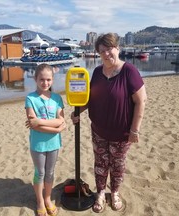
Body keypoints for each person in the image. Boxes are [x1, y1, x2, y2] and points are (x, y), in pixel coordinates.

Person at [71, 33, 147, 213]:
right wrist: (77, 112)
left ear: (117, 48)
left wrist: (135, 130)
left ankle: (114, 193)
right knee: (100, 163)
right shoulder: (97, 72)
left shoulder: (129, 71)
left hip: (122, 134)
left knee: (117, 165)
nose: (106, 54)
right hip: (98, 131)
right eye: (102, 51)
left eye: (109, 49)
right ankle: (100, 193)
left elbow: (141, 101)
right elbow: (89, 98)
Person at [25, 63, 66, 216]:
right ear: (35, 79)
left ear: (52, 80)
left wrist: (40, 121)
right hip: (38, 144)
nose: (45, 83)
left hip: (54, 143)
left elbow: (60, 120)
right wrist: (57, 128)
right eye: (42, 79)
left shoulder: (56, 98)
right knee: (40, 172)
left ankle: (48, 198)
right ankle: (40, 200)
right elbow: (34, 126)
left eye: (48, 79)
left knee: (50, 172)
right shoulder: (30, 98)